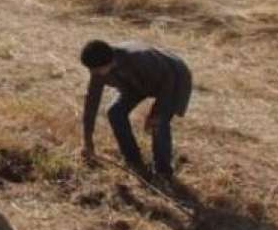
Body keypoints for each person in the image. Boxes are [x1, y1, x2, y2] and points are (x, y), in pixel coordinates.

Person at [80, 40, 193, 180]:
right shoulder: (99, 70)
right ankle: (133, 160)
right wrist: (87, 139)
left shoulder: (139, 58)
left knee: (158, 122)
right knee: (115, 112)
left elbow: (168, 79)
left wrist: (156, 112)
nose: (93, 73)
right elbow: (91, 102)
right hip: (137, 83)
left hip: (174, 76)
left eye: (95, 70)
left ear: (109, 62)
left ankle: (163, 172)